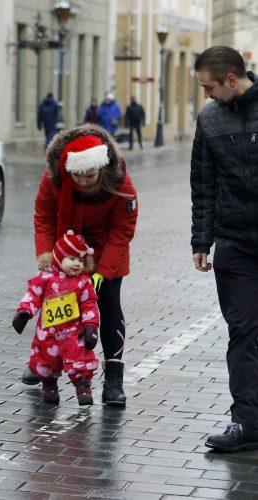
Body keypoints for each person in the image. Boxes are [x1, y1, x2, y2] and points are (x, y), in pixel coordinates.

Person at [21, 124, 138, 407]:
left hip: (106, 250)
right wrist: (48, 259)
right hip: (65, 252)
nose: (84, 182)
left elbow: (122, 229)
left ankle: (113, 378)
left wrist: (103, 272)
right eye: (78, 176)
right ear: (67, 170)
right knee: (54, 305)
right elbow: (44, 218)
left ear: (100, 168)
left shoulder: (119, 180)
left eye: (90, 176)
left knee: (108, 305)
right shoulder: (54, 179)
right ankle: (43, 363)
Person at [191, 45, 258, 453]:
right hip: (234, 244)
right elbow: (203, 184)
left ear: (232, 79)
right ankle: (246, 423)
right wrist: (202, 240)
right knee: (243, 333)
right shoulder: (209, 119)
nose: (206, 94)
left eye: (209, 86)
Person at [12, 230, 100, 406]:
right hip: (48, 332)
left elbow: (89, 303)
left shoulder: (83, 282)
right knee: (47, 360)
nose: (77, 264)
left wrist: (90, 325)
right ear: (59, 258)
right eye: (72, 259)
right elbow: (33, 296)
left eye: (81, 261)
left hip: (74, 332)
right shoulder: (45, 278)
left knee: (80, 359)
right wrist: (24, 312)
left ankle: (83, 386)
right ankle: (49, 384)